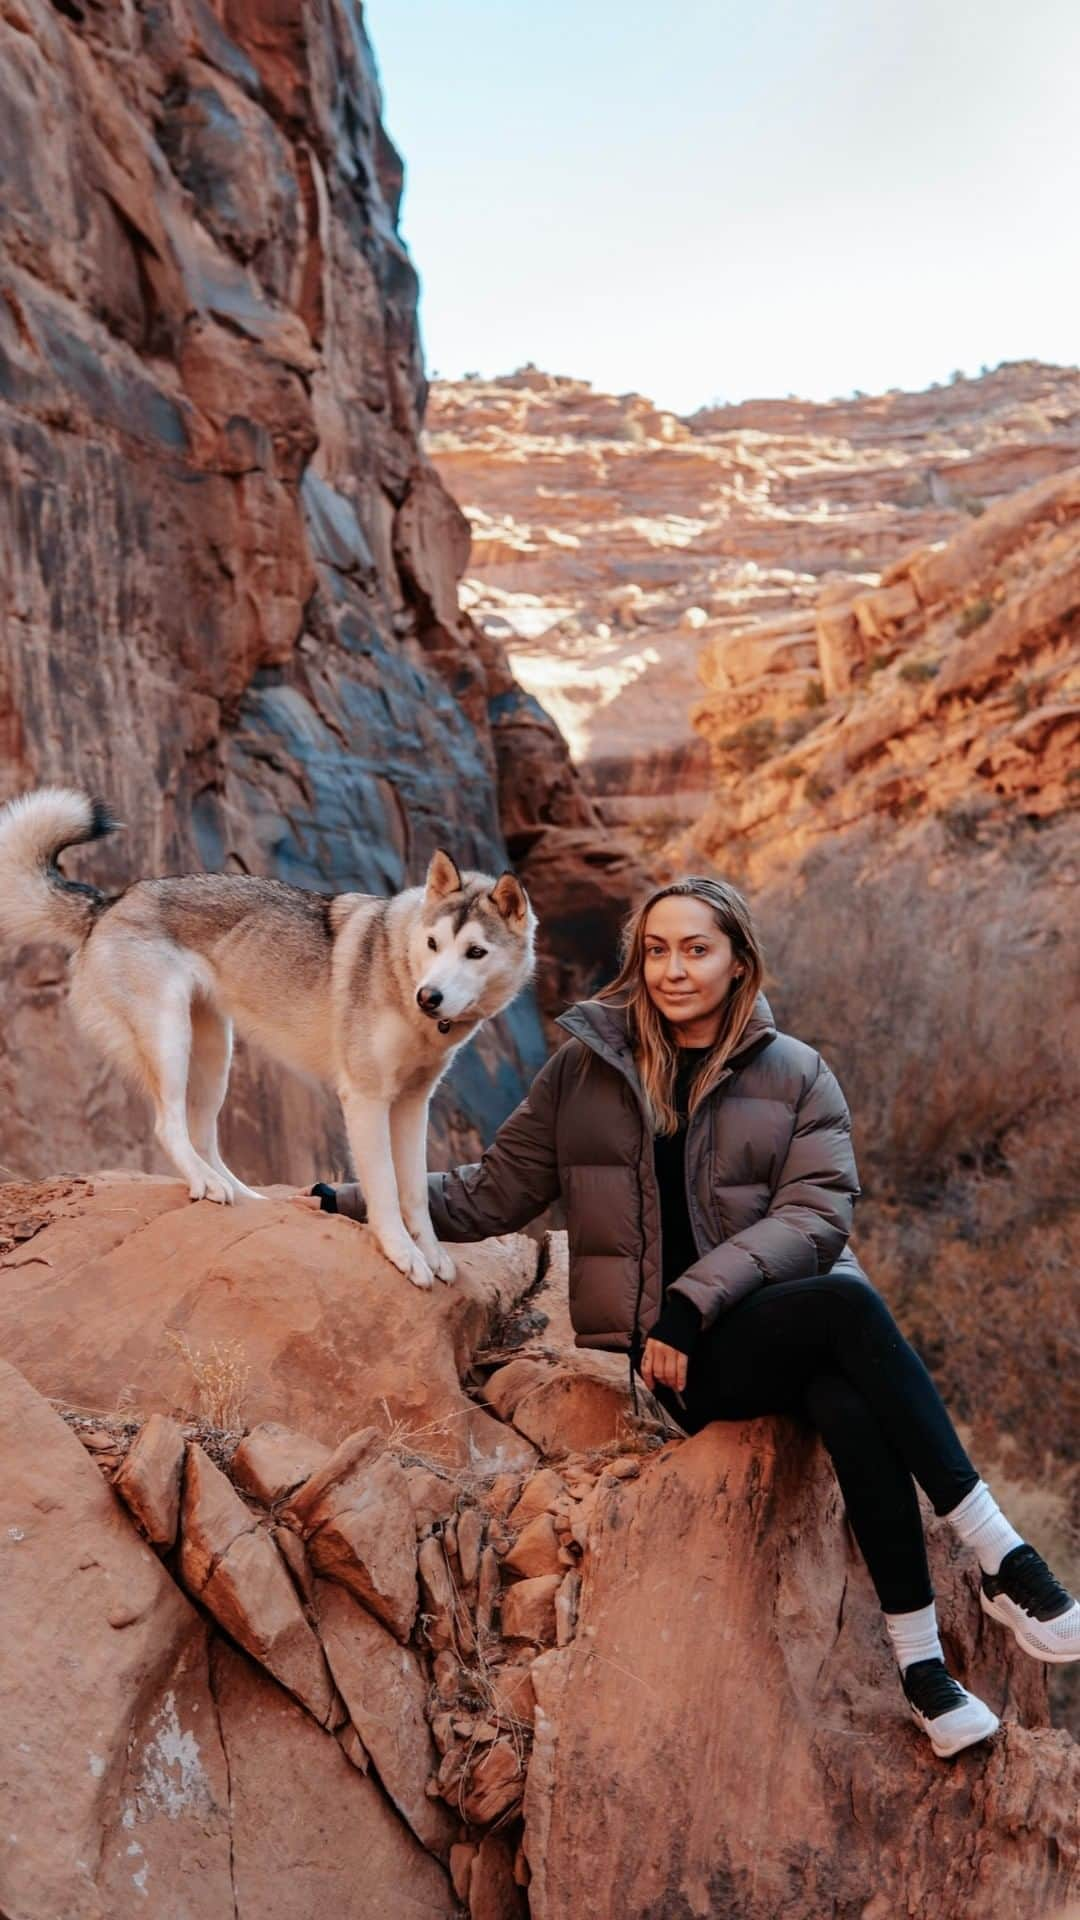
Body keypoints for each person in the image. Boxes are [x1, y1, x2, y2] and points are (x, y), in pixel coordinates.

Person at [298, 874, 1080, 1760]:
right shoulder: (584, 1071)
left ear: (739, 961)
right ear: (638, 961)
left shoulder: (797, 1075)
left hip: (776, 1326)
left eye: (696, 949)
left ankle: (922, 1666)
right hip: (688, 1369)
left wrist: (690, 1298)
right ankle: (1005, 1562)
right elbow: (490, 1194)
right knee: (848, 1313)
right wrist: (348, 1197)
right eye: (657, 950)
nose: (674, 970)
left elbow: (818, 1218)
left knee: (848, 1387)